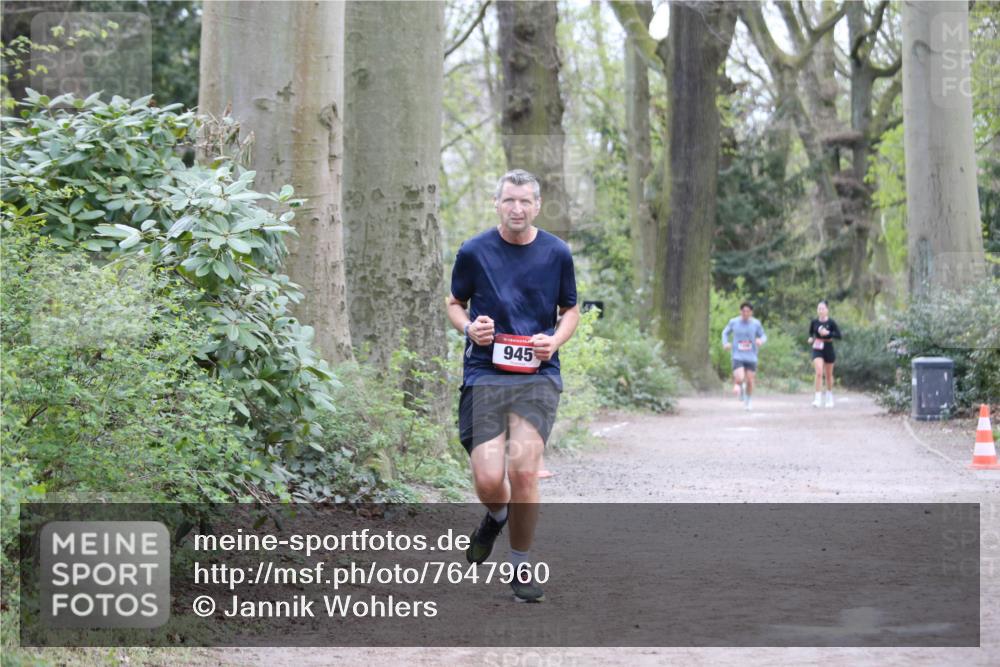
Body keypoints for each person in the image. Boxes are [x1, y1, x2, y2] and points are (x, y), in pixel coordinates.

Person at [446, 169, 580, 603]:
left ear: (537, 205)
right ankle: (496, 515)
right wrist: (471, 329)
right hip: (485, 372)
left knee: (523, 470)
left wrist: (553, 340)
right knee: (488, 479)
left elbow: (570, 311)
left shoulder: (557, 253)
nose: (517, 209)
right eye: (509, 201)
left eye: (525, 201)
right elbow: (454, 304)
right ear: (497, 203)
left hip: (537, 377)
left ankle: (521, 567)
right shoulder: (474, 251)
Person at [721, 302, 766, 411]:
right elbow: (725, 333)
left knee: (750, 380)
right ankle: (740, 386)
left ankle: (748, 401)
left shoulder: (756, 324)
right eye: (743, 311)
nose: (745, 313)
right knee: (740, 377)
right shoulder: (734, 322)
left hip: (751, 356)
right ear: (740, 311)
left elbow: (763, 335)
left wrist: (761, 340)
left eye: (748, 311)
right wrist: (725, 343)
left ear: (751, 312)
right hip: (737, 355)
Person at [808, 300, 842, 408]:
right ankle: (817, 398)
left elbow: (839, 335)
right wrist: (810, 338)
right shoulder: (814, 322)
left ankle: (829, 396)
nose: (821, 311)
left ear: (827, 310)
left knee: (828, 375)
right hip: (817, 347)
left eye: (823, 309)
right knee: (818, 372)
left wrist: (829, 333)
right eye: (819, 309)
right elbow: (810, 333)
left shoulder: (831, 322)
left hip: (828, 347)